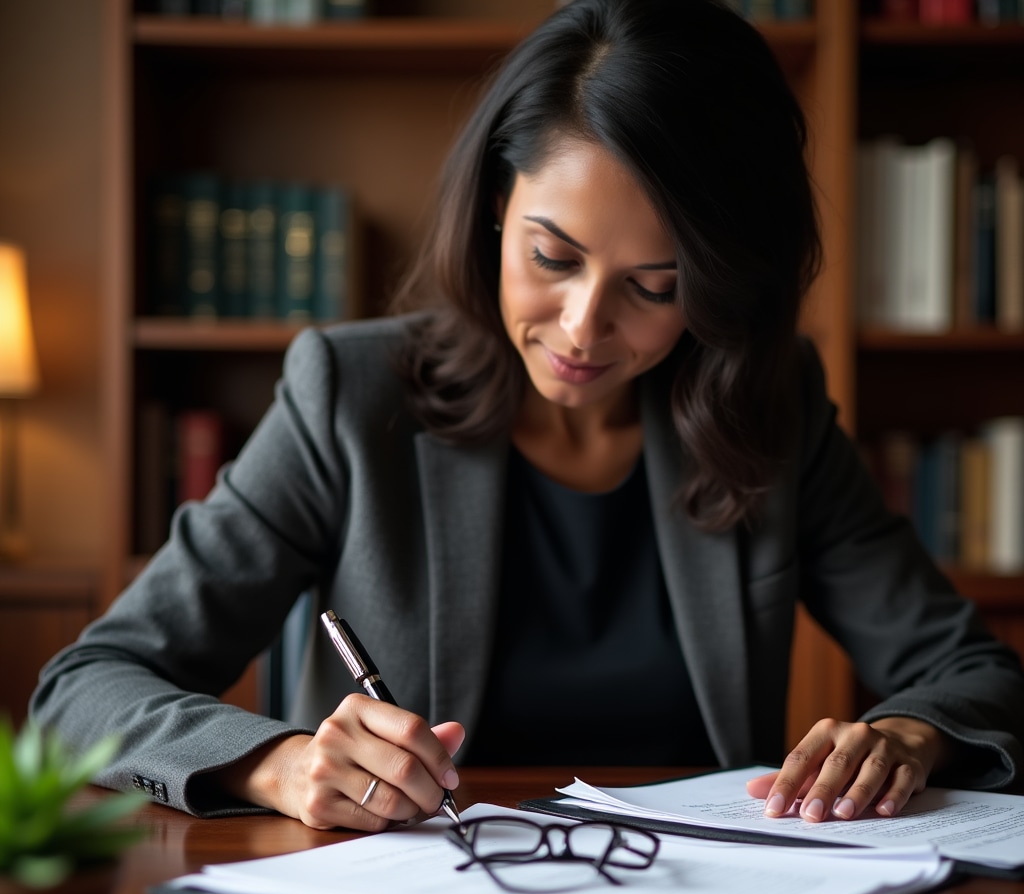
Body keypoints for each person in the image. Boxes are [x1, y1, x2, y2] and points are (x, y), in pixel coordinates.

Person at [32, 0, 1024, 834]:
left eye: (654, 285)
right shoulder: (350, 393)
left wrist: (907, 734)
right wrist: (278, 765)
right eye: (552, 258)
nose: (584, 327)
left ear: (720, 291)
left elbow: (972, 671)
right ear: (496, 209)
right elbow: (82, 690)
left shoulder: (772, 407)